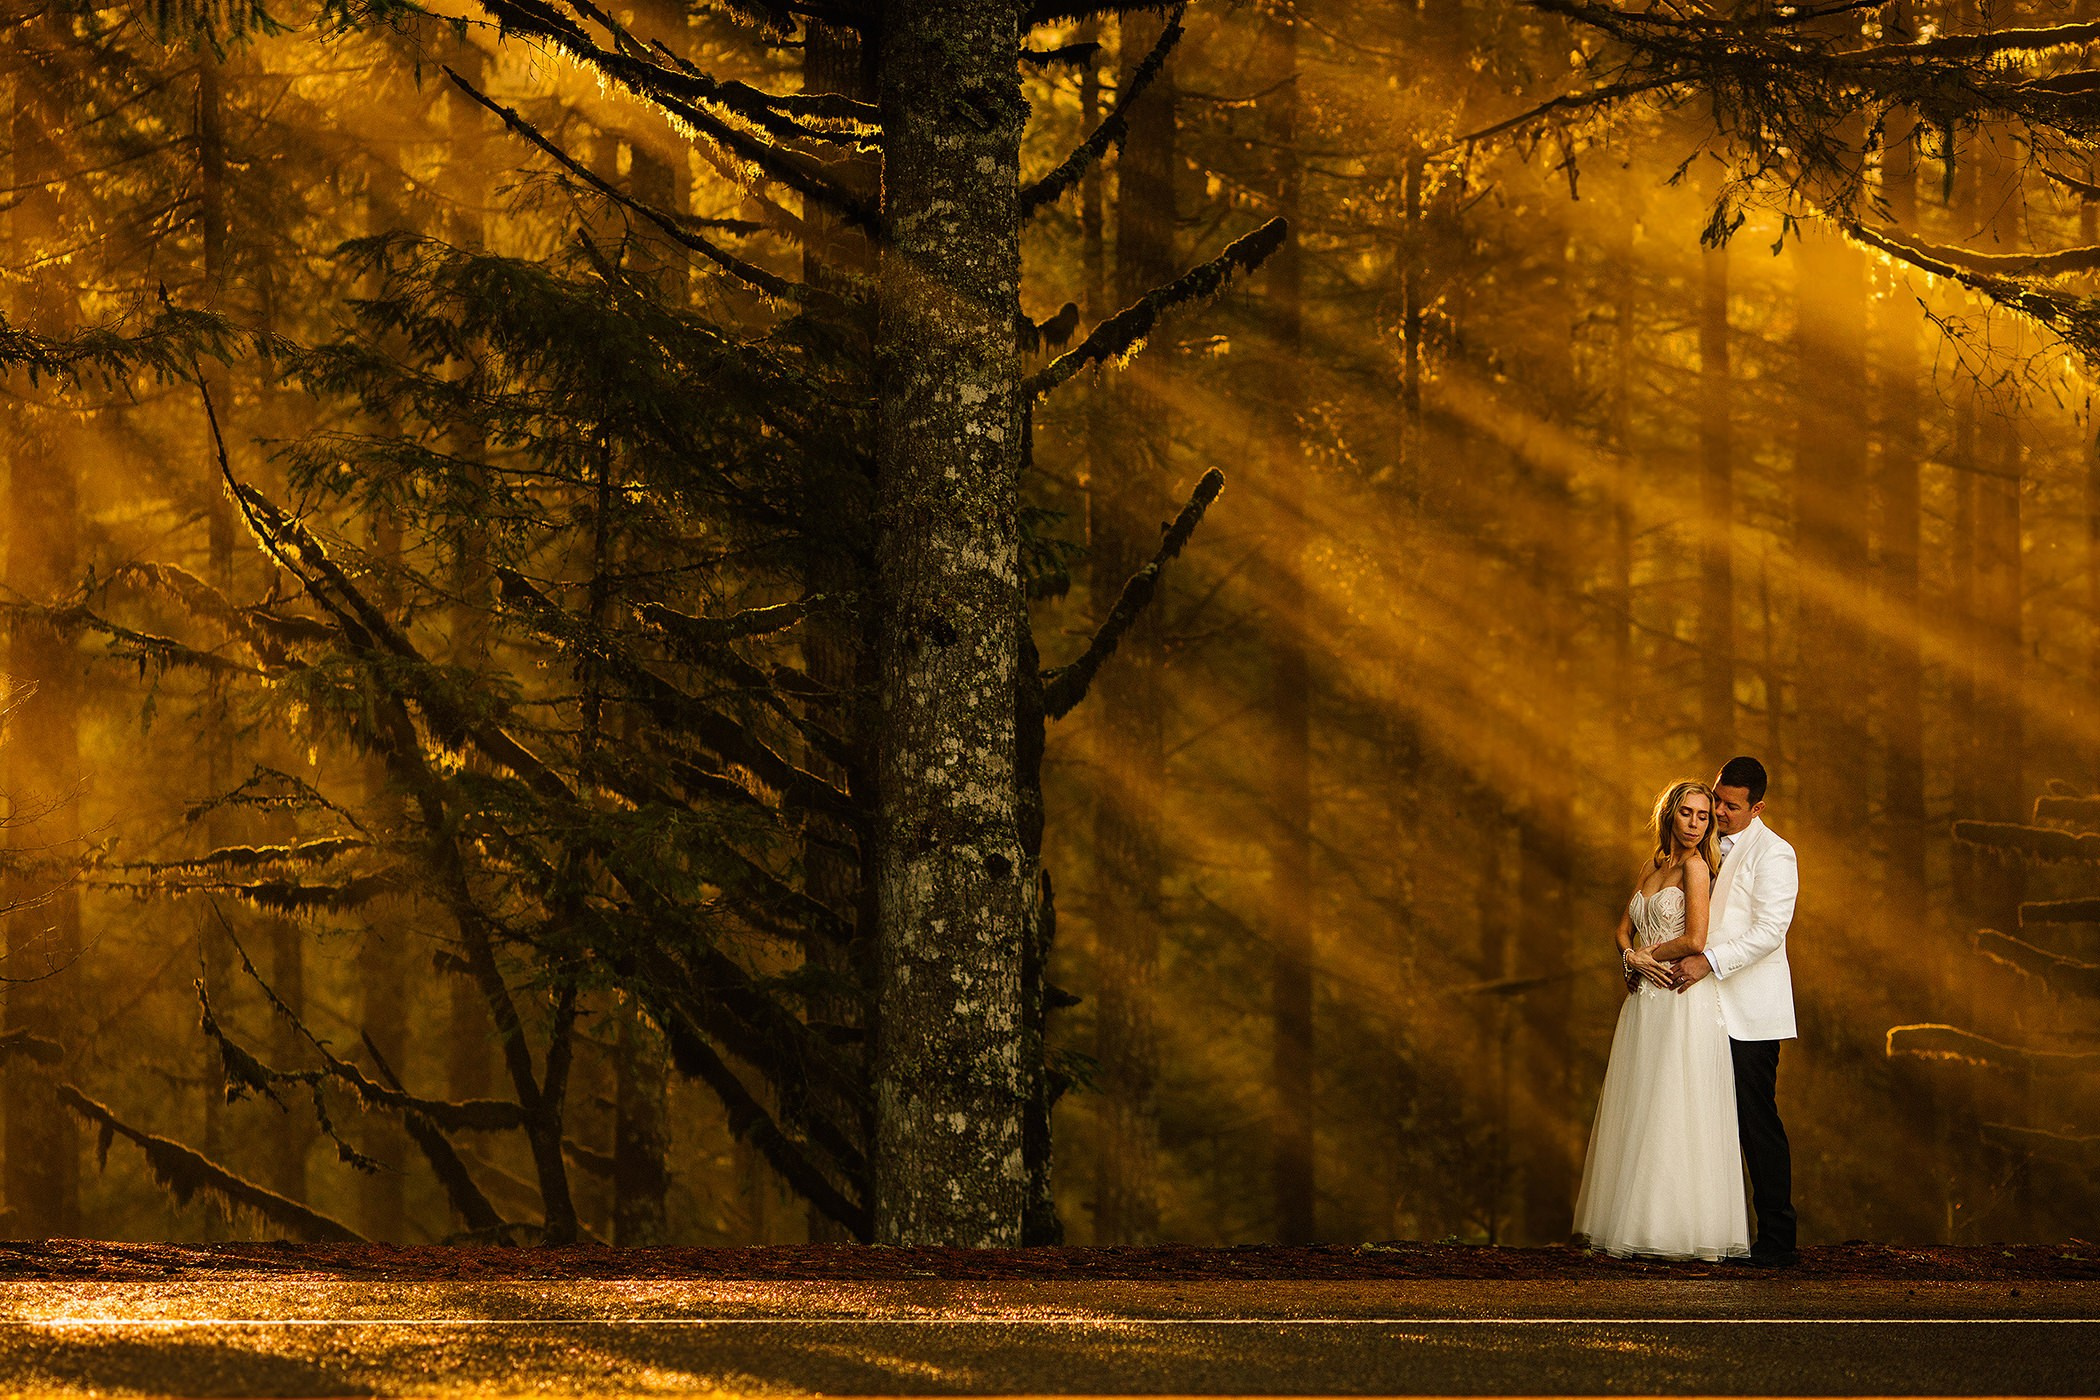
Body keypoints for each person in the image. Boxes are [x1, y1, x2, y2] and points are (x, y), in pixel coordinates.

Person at [1572, 779, 1750, 1261]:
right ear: (1669, 814)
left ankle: (1672, 1228)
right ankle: (1631, 1219)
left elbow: (1695, 938)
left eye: (1703, 816)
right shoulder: (1654, 864)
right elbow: (1622, 926)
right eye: (1687, 814)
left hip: (1678, 999)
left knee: (1674, 1103)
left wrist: (1645, 955)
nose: (1695, 824)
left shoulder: (1695, 868)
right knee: (1640, 1102)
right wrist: (1630, 956)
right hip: (1644, 1001)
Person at [1666, 755, 1801, 1268]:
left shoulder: (1776, 854)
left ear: (1757, 807)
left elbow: (1770, 932)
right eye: (1717, 799)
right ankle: (1699, 1231)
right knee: (1700, 1119)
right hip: (1697, 1008)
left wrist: (1708, 961)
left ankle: (1777, 1239)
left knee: (1754, 1121)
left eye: (1730, 805)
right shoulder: (1698, 847)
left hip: (1749, 1011)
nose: (1718, 811)